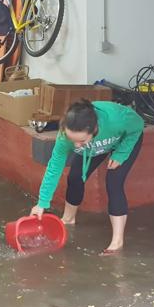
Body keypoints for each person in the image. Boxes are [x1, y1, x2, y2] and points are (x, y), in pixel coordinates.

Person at [30, 99, 144, 256]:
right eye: (72, 140)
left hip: (123, 141)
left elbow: (138, 125)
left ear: (95, 129)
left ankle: (117, 242)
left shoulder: (117, 120)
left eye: (81, 141)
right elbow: (54, 167)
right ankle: (68, 219)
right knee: (75, 177)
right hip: (95, 146)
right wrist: (42, 203)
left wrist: (121, 153)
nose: (76, 146)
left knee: (113, 182)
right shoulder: (65, 136)